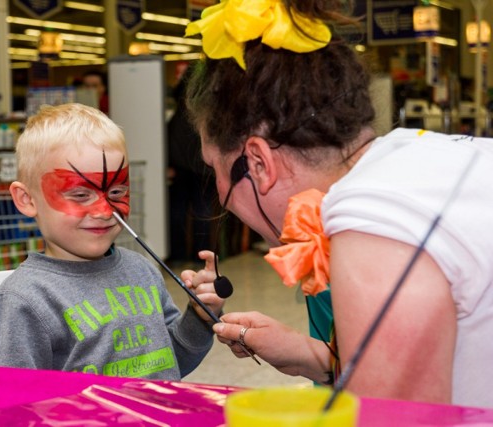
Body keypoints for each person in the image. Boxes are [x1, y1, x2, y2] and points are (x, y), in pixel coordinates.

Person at [180, 0, 493, 409]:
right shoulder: (422, 157)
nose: (220, 192)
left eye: (215, 170)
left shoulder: (370, 219)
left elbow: (395, 419)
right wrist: (309, 356)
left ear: (256, 162)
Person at [0, 103, 224, 380]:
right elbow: (10, 399)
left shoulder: (142, 271)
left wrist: (200, 316)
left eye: (117, 191)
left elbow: (173, 362)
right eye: (80, 195)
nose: (104, 211)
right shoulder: (23, 300)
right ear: (27, 200)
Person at [167, 65, 217, 264]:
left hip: (179, 167)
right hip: (203, 168)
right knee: (203, 212)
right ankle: (201, 255)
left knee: (177, 211)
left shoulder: (179, 109)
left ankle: (178, 254)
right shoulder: (206, 109)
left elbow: (170, 137)